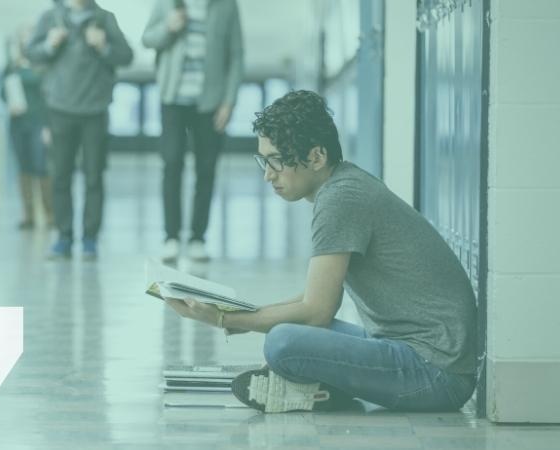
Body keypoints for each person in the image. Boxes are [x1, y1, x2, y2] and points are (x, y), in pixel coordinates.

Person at [166, 90, 478, 413]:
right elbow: (314, 297)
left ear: (316, 157)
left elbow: (317, 310)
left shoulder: (340, 199)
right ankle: (320, 391)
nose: (267, 173)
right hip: (413, 354)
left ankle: (308, 387)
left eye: (276, 160)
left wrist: (221, 318)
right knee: (289, 331)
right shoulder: (344, 185)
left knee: (282, 342)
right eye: (264, 159)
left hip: (436, 373)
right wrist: (236, 316)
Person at [26, 0, 133, 260]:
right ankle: (63, 238)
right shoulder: (50, 18)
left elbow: (126, 56)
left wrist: (103, 45)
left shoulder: (105, 18)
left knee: (94, 177)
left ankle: (90, 239)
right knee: (60, 176)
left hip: (95, 111)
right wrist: (49, 44)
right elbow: (31, 54)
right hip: (60, 109)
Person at [142, 0, 244, 262]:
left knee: (206, 170)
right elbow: (148, 39)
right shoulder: (167, 4)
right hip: (173, 99)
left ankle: (198, 238)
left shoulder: (227, 6)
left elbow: (236, 55)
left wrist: (228, 101)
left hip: (210, 103)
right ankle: (171, 237)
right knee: (172, 164)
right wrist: (169, 27)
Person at [2, 29, 53, 230]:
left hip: (38, 123)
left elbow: (49, 97)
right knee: (23, 168)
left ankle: (49, 214)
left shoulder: (42, 65)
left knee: (41, 166)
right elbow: (2, 92)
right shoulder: (11, 67)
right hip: (17, 124)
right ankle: (28, 215)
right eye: (21, 39)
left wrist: (49, 126)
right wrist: (9, 103)